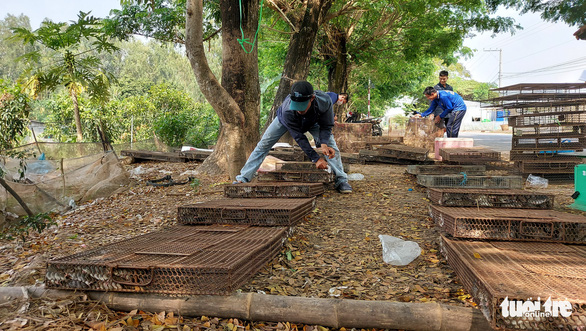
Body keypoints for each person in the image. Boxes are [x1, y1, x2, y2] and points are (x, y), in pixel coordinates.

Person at [235, 81, 352, 193]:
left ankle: (341, 180)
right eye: (296, 105)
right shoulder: (288, 110)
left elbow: (326, 126)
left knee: (332, 147)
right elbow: (299, 137)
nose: (299, 110)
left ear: (312, 98)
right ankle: (243, 177)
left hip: (313, 121)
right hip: (285, 121)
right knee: (263, 145)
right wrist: (316, 158)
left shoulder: (325, 101)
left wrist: (324, 143)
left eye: (302, 106)